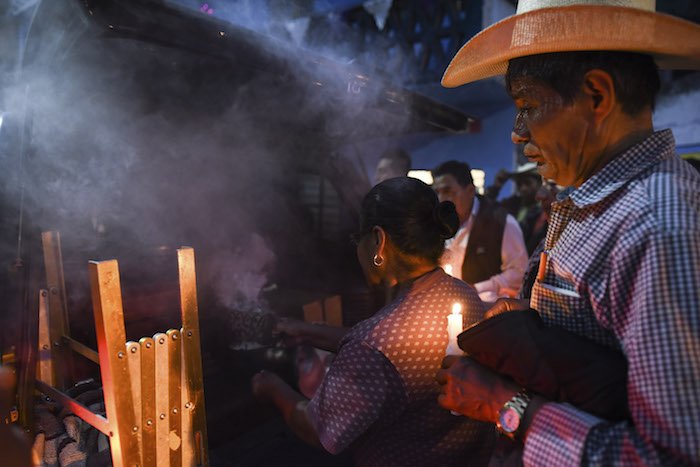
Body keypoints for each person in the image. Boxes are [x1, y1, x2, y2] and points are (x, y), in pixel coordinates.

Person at [436, 0, 700, 465]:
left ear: (597, 96)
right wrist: (530, 322)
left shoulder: (655, 225)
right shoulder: (596, 200)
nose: (517, 133)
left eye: (528, 106)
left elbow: (671, 455)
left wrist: (506, 405)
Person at [252, 177, 495, 466]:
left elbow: (318, 429)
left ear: (379, 240)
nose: (357, 249)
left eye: (358, 238)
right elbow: (393, 353)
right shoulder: (464, 294)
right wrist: (308, 332)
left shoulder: (374, 346)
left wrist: (272, 387)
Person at [432, 160, 528, 302]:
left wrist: (475, 289)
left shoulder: (501, 222)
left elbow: (518, 273)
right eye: (437, 192)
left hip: (485, 307)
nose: (441, 199)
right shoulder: (435, 224)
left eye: (448, 192)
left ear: (470, 191)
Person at [486, 163, 546, 255]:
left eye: (527, 183)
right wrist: (496, 187)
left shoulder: (545, 211)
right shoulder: (512, 204)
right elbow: (485, 211)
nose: (523, 188)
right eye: (519, 184)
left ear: (540, 183)